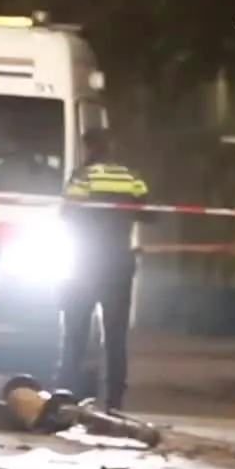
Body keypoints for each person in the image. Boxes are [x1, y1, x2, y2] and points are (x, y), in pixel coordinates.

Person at [56, 129, 150, 409]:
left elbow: (68, 213)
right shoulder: (131, 177)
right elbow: (150, 213)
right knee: (116, 335)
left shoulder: (82, 176)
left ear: (89, 148)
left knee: (75, 333)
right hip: (120, 262)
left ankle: (66, 395)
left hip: (85, 263)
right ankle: (114, 400)